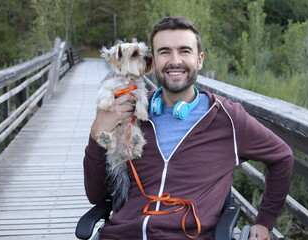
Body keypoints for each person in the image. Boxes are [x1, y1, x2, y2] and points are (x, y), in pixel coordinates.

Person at [84, 16, 294, 240]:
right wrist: (96, 133)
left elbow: (282, 157)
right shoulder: (127, 111)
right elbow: (97, 195)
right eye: (165, 52)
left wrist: (264, 222)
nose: (175, 61)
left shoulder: (227, 117)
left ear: (199, 60)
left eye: (184, 51)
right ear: (152, 61)